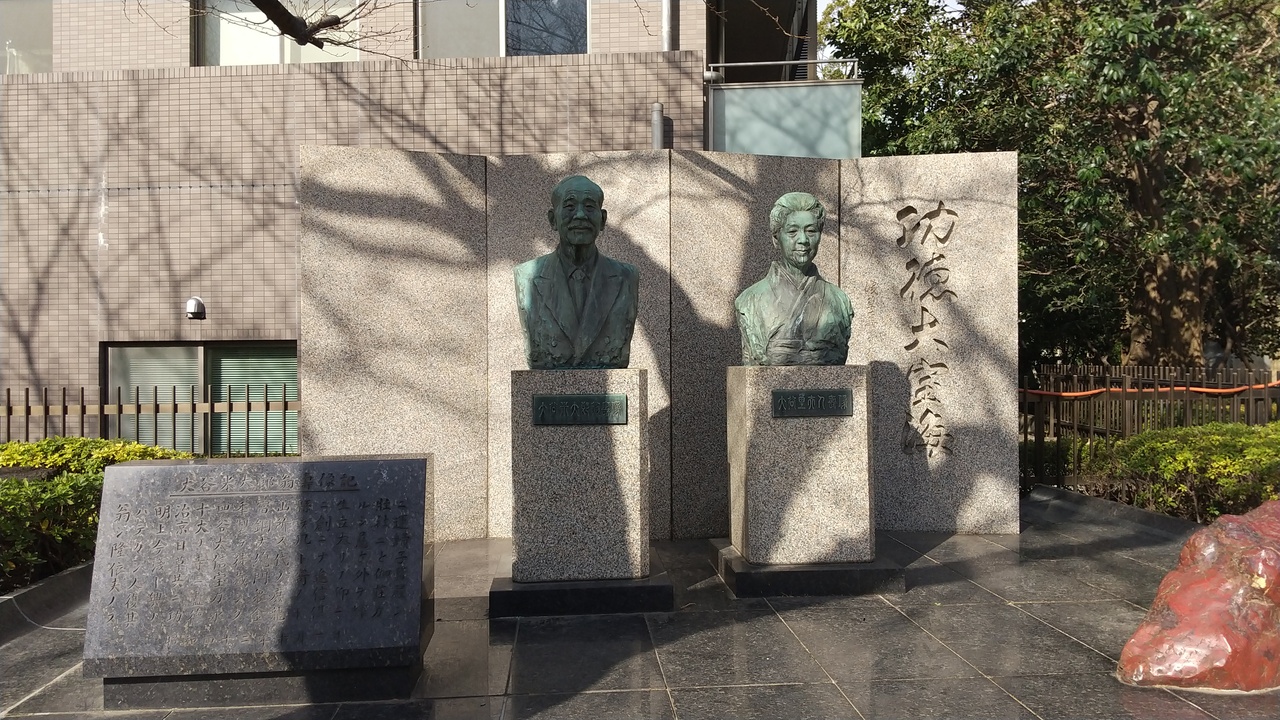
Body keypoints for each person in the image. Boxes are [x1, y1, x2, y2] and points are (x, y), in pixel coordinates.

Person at [514, 175, 639, 369]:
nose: (580, 215)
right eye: (570, 206)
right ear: (552, 219)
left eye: (589, 207)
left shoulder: (626, 277)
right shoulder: (527, 276)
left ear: (603, 220)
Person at [734, 192, 853, 366]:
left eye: (811, 231)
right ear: (776, 239)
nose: (803, 240)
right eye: (792, 231)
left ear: (819, 236)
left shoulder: (839, 300)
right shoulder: (749, 300)